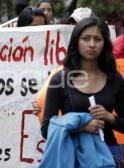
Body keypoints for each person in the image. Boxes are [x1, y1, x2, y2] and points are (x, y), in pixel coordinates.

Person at [41, 17, 124, 164]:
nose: (92, 44)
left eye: (97, 39)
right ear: (76, 42)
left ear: (105, 43)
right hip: (72, 156)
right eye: (86, 39)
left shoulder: (115, 79)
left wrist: (110, 118)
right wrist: (80, 127)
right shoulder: (60, 80)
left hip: (108, 155)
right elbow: (46, 128)